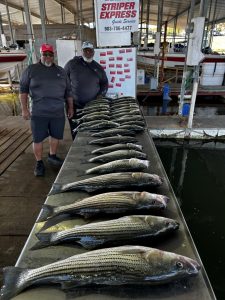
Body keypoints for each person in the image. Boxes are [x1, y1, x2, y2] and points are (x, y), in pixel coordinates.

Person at [20, 43, 74, 177]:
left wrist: (70, 107)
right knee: (37, 139)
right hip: (39, 113)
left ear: (53, 55)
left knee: (55, 136)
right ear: (40, 55)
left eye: (50, 54)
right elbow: (23, 91)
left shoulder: (61, 71)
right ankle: (39, 162)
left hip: (57, 112)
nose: (48, 57)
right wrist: (24, 109)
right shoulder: (31, 70)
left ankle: (52, 155)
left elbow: (68, 92)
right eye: (45, 54)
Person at [64, 41, 108, 139]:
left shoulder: (98, 68)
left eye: (90, 50)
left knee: (92, 129)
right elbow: (63, 82)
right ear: (82, 51)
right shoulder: (71, 64)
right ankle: (76, 147)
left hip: (93, 107)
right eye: (85, 50)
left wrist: (100, 96)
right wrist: (67, 103)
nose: (88, 52)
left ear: (93, 52)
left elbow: (104, 83)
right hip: (74, 106)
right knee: (75, 130)